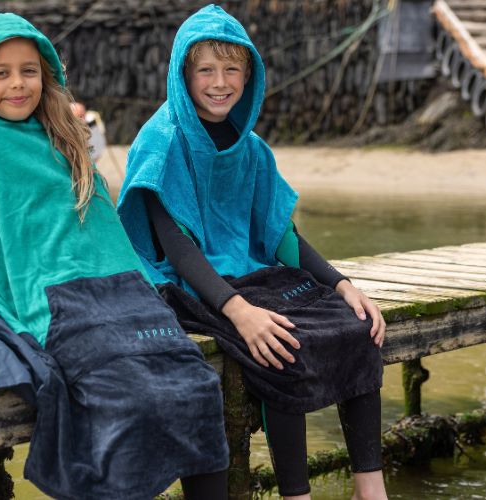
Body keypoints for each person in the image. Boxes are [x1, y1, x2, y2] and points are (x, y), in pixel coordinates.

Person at [0, 13, 228, 500]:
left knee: (196, 388)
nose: (17, 84)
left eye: (29, 70)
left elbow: (99, 226)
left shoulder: (63, 131)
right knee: (124, 397)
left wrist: (145, 285)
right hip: (45, 295)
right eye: (1, 72)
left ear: (46, 74)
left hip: (121, 288)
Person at [116, 5, 388, 500]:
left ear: (249, 73)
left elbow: (281, 234)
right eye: (206, 69)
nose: (220, 82)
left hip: (251, 273)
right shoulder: (161, 142)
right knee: (281, 342)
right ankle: (296, 494)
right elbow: (175, 248)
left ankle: (372, 489)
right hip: (183, 282)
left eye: (232, 69)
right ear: (183, 73)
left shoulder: (252, 147)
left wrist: (343, 285)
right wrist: (240, 312)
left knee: (359, 327)